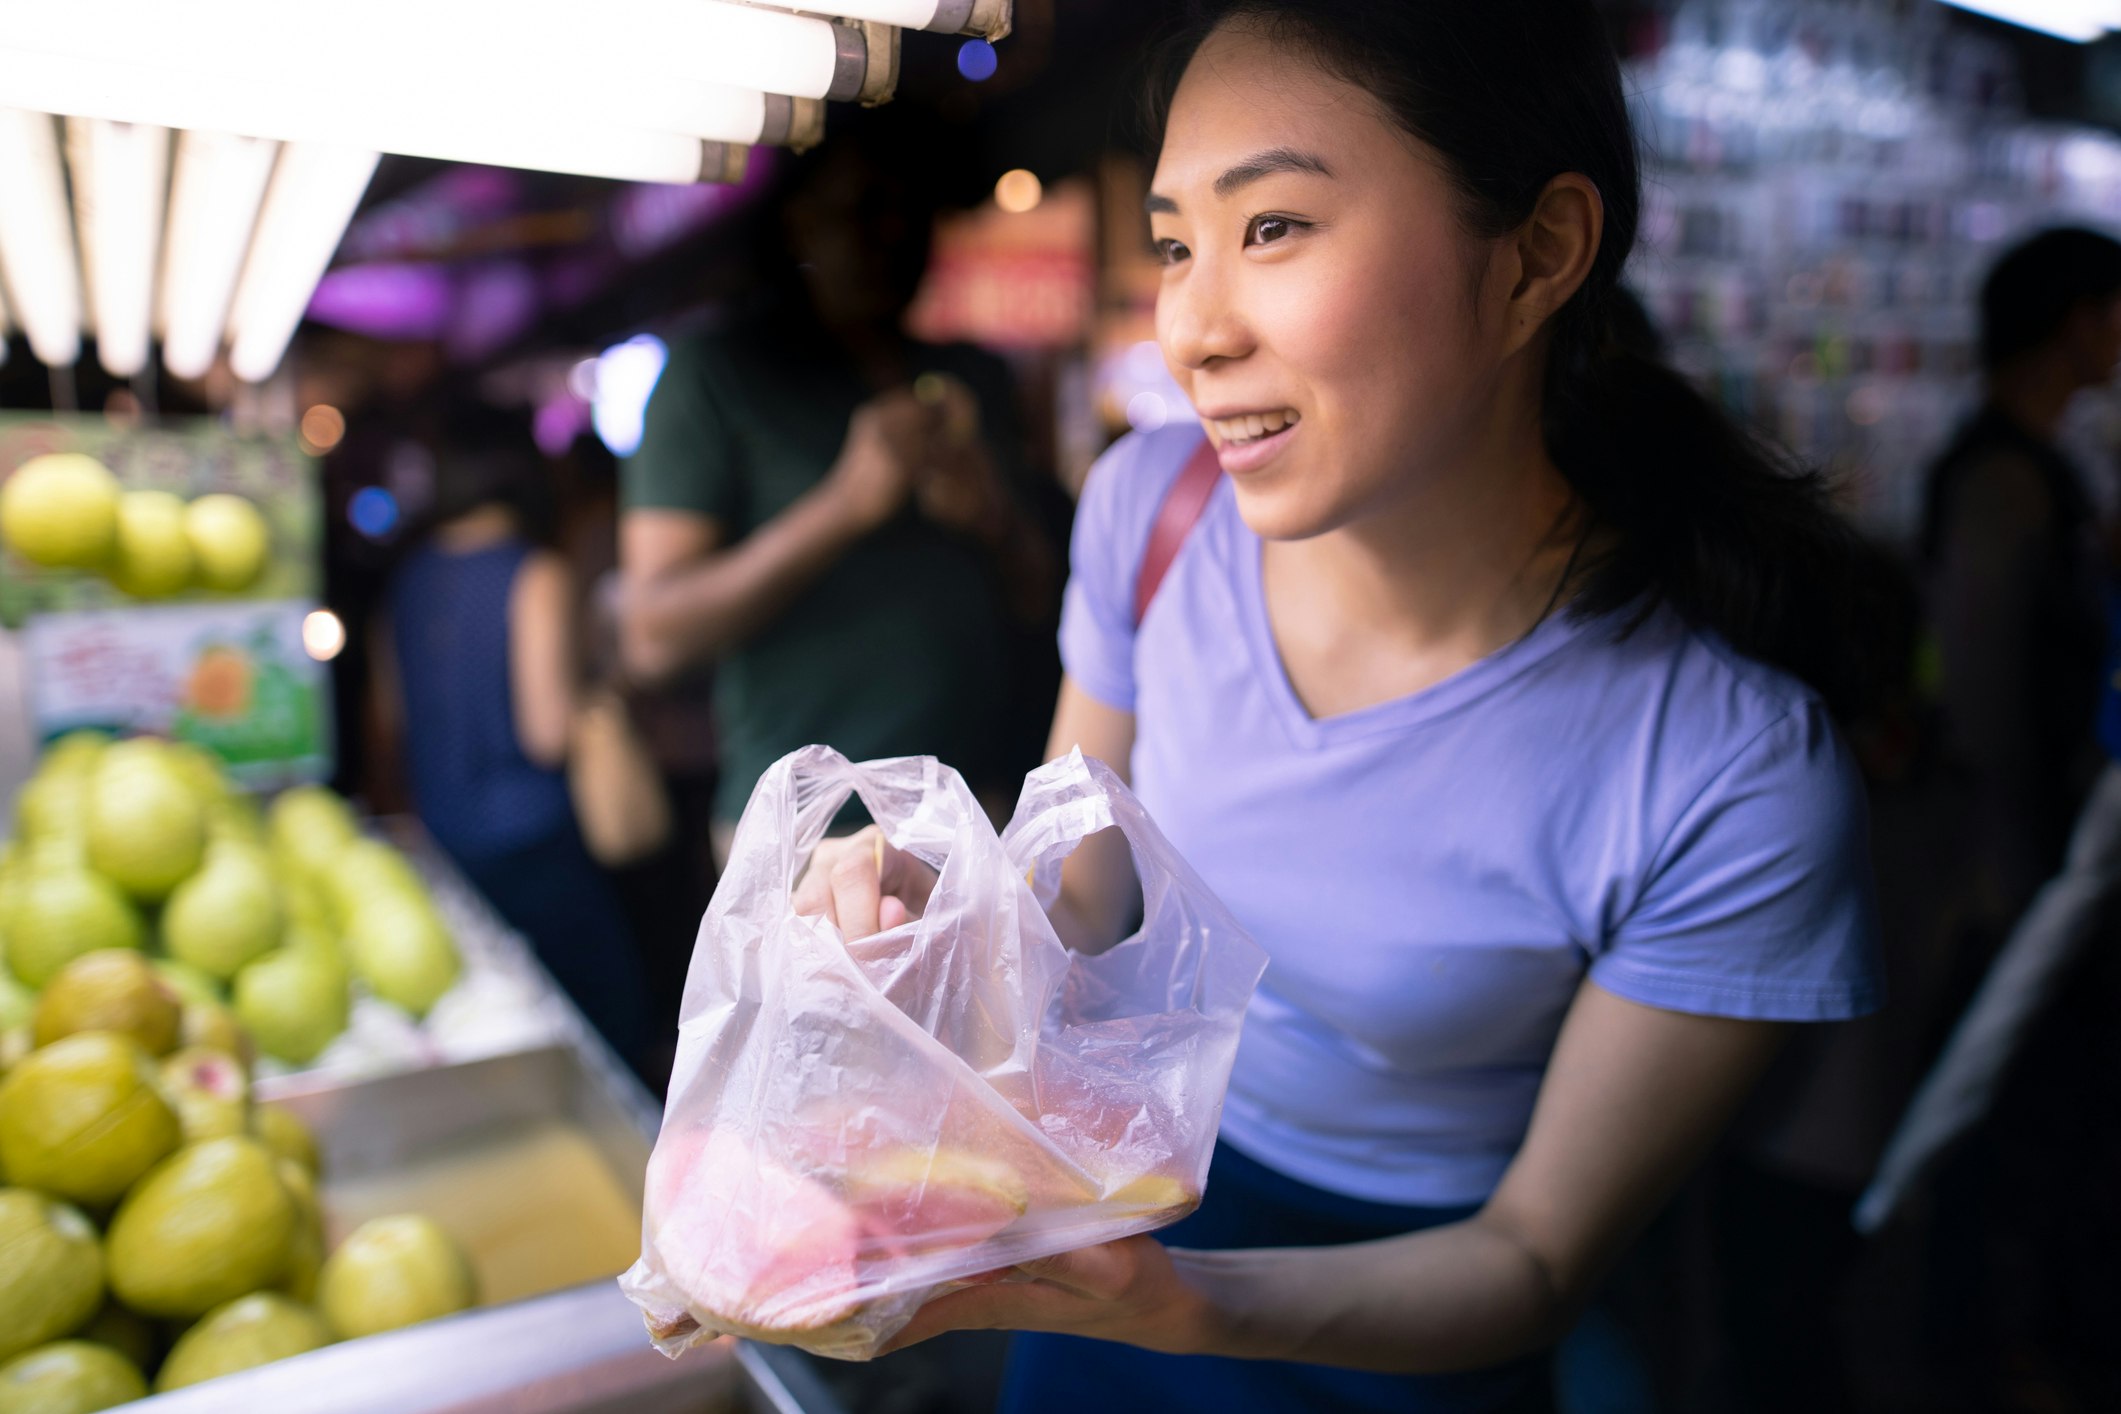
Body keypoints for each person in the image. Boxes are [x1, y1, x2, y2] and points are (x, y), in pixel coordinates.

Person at [791, 3, 1883, 1410]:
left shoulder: (1729, 777)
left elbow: (1536, 1256)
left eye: (1275, 229)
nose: (1191, 328)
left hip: (1402, 1323)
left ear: (1537, 254)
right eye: (1179, 242)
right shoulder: (1155, 512)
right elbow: (1069, 890)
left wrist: (1192, 1305)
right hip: (1123, 1216)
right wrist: (919, 909)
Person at [619, 117, 1062, 861]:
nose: (886, 234)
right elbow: (654, 636)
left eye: (906, 209)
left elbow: (1045, 600)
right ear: (794, 220)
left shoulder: (971, 375)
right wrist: (844, 507)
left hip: (973, 816)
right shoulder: (717, 375)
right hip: (809, 840)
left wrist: (993, 517)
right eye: (856, 207)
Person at [372, 405, 651, 1069]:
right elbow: (547, 732)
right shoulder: (535, 572)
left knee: (498, 1032)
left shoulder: (406, 577)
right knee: (604, 1027)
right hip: (535, 845)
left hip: (445, 837)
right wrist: (602, 680)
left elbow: (389, 717)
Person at [1920, 227, 2121, 953]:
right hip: (2016, 844)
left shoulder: (2034, 468)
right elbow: (1979, 679)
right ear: (2078, 321)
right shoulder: (2003, 482)